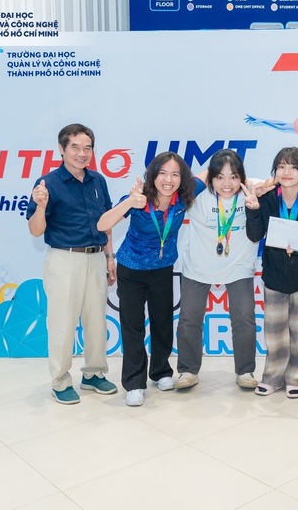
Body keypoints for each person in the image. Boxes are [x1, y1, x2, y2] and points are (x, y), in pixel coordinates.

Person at [97, 152, 199, 407]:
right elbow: (102, 224)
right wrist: (129, 203)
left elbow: (210, 174)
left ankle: (161, 371)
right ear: (153, 176)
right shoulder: (138, 198)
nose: (168, 179)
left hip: (163, 269)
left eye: (175, 174)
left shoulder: (184, 197)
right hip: (131, 269)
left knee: (162, 323)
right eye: (162, 173)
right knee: (133, 326)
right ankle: (134, 383)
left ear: (182, 179)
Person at [27, 123, 118, 405]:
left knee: (96, 321)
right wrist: (41, 206)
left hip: (96, 258)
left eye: (87, 148)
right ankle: (60, 381)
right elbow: (35, 231)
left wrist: (110, 256)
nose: (82, 153)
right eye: (75, 147)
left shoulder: (98, 181)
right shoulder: (47, 183)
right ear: (62, 149)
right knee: (63, 324)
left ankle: (93, 374)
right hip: (64, 260)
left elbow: (106, 222)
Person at [174, 149, 261, 390]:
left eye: (233, 177)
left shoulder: (250, 192)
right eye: (219, 177)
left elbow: (275, 181)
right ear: (210, 177)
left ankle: (245, 371)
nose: (227, 184)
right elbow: (187, 184)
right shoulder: (196, 196)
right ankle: (188, 371)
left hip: (239, 267)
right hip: (198, 267)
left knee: (244, 319)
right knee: (189, 320)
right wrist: (212, 169)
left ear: (242, 177)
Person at [245, 147, 298, 398]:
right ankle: (273, 378)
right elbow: (255, 235)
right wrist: (253, 210)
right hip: (275, 277)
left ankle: (297, 378)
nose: (286, 172)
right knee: (275, 333)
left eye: (293, 167)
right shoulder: (268, 199)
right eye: (281, 166)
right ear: (275, 171)